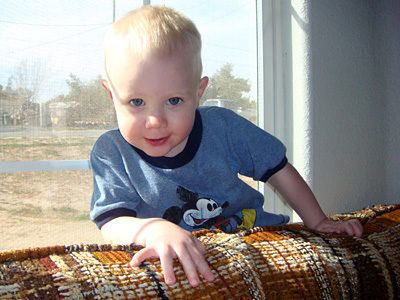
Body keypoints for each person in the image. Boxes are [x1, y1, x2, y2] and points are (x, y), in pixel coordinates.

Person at [90, 5, 363, 288]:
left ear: (198, 93)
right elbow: (111, 223)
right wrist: (154, 230)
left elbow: (278, 168)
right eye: (136, 102)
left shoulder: (223, 127)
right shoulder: (111, 152)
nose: (155, 121)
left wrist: (317, 221)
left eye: (173, 100)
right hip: (181, 259)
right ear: (112, 95)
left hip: (255, 237)